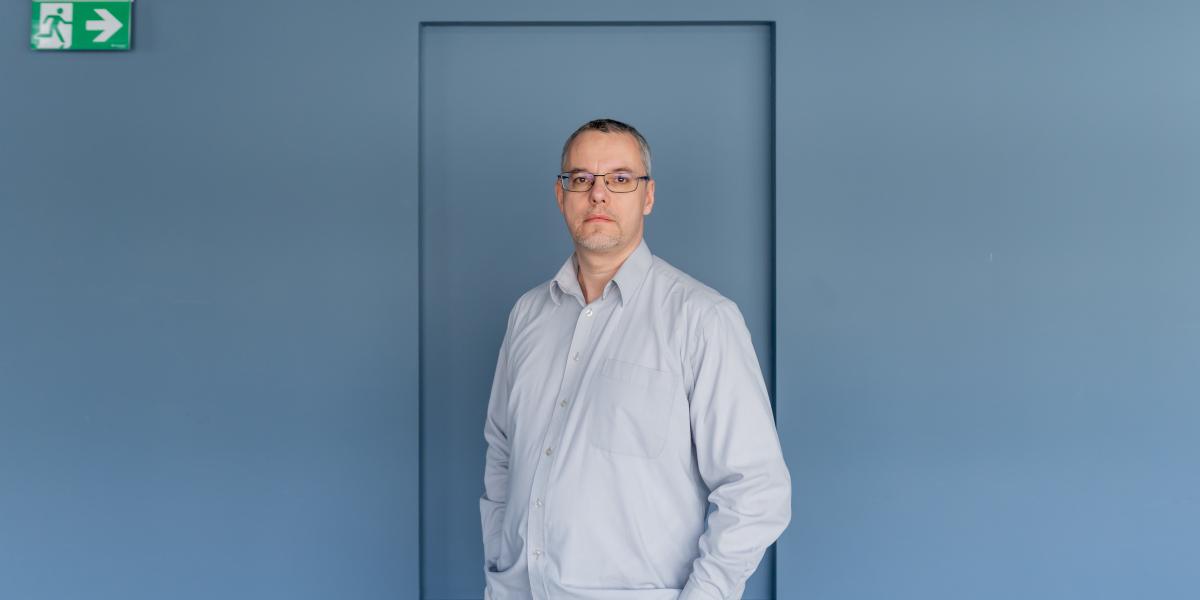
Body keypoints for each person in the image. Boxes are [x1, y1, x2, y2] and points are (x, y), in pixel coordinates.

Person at [480, 118, 791, 600]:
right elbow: (502, 454)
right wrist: (501, 571)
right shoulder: (527, 315)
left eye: (620, 179)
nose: (598, 194)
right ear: (561, 195)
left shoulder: (701, 319)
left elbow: (757, 489)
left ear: (648, 196)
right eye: (581, 179)